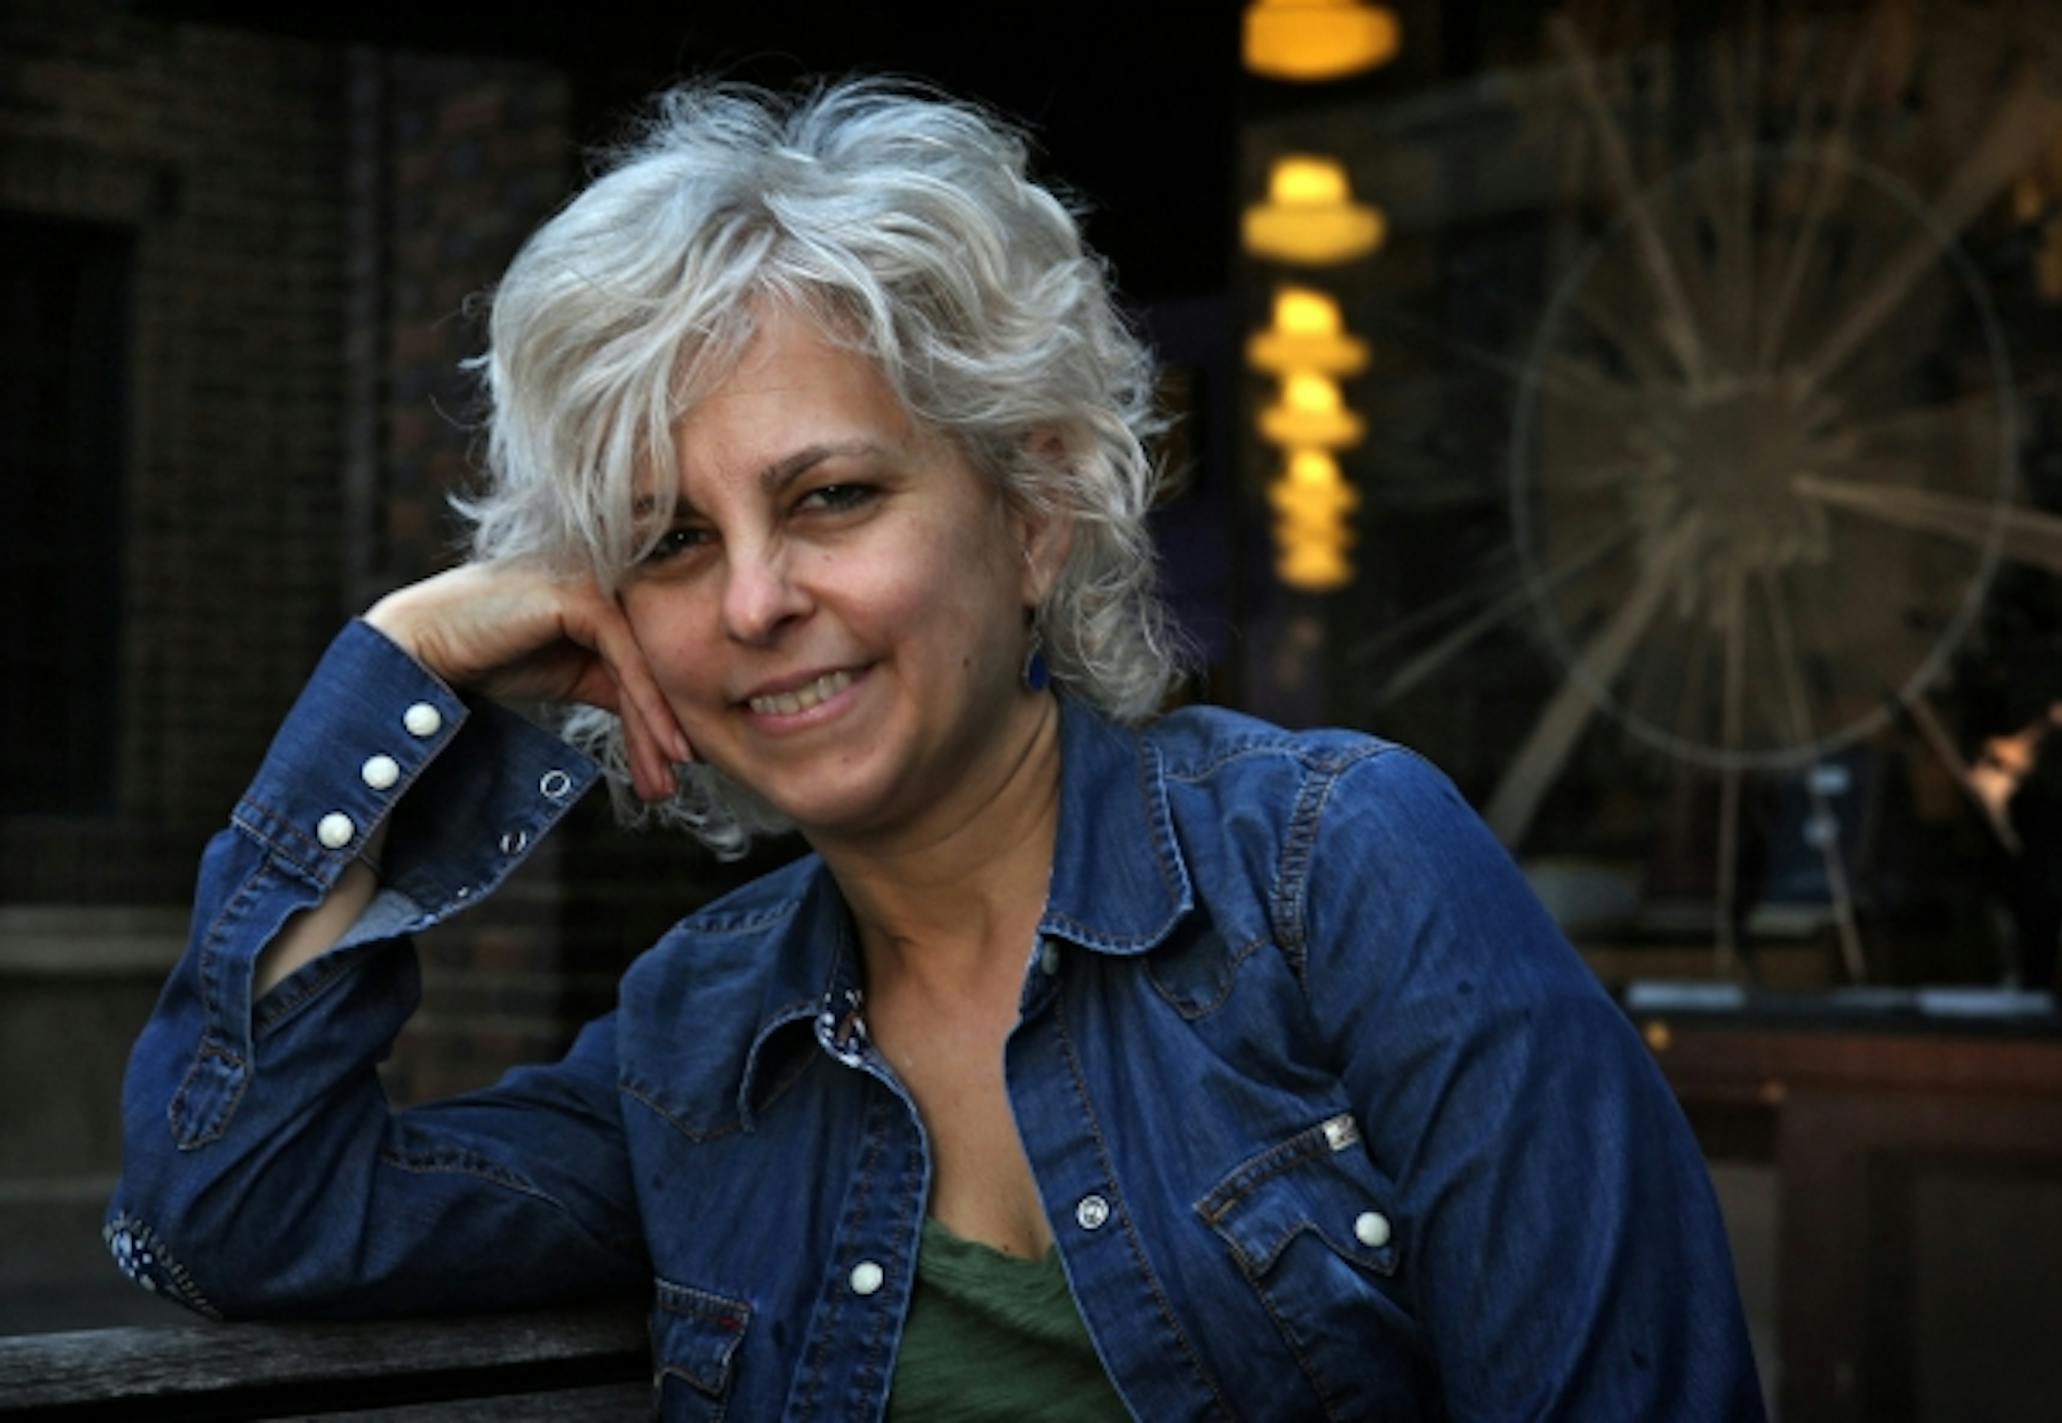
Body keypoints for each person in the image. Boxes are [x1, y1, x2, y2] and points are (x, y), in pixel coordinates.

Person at [107, 79, 1764, 1419]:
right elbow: (244, 1212)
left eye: (832, 496)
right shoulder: (700, 1037)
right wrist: (399, 671)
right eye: (670, 541)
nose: (756, 599)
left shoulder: (1336, 870)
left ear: (1034, 511)